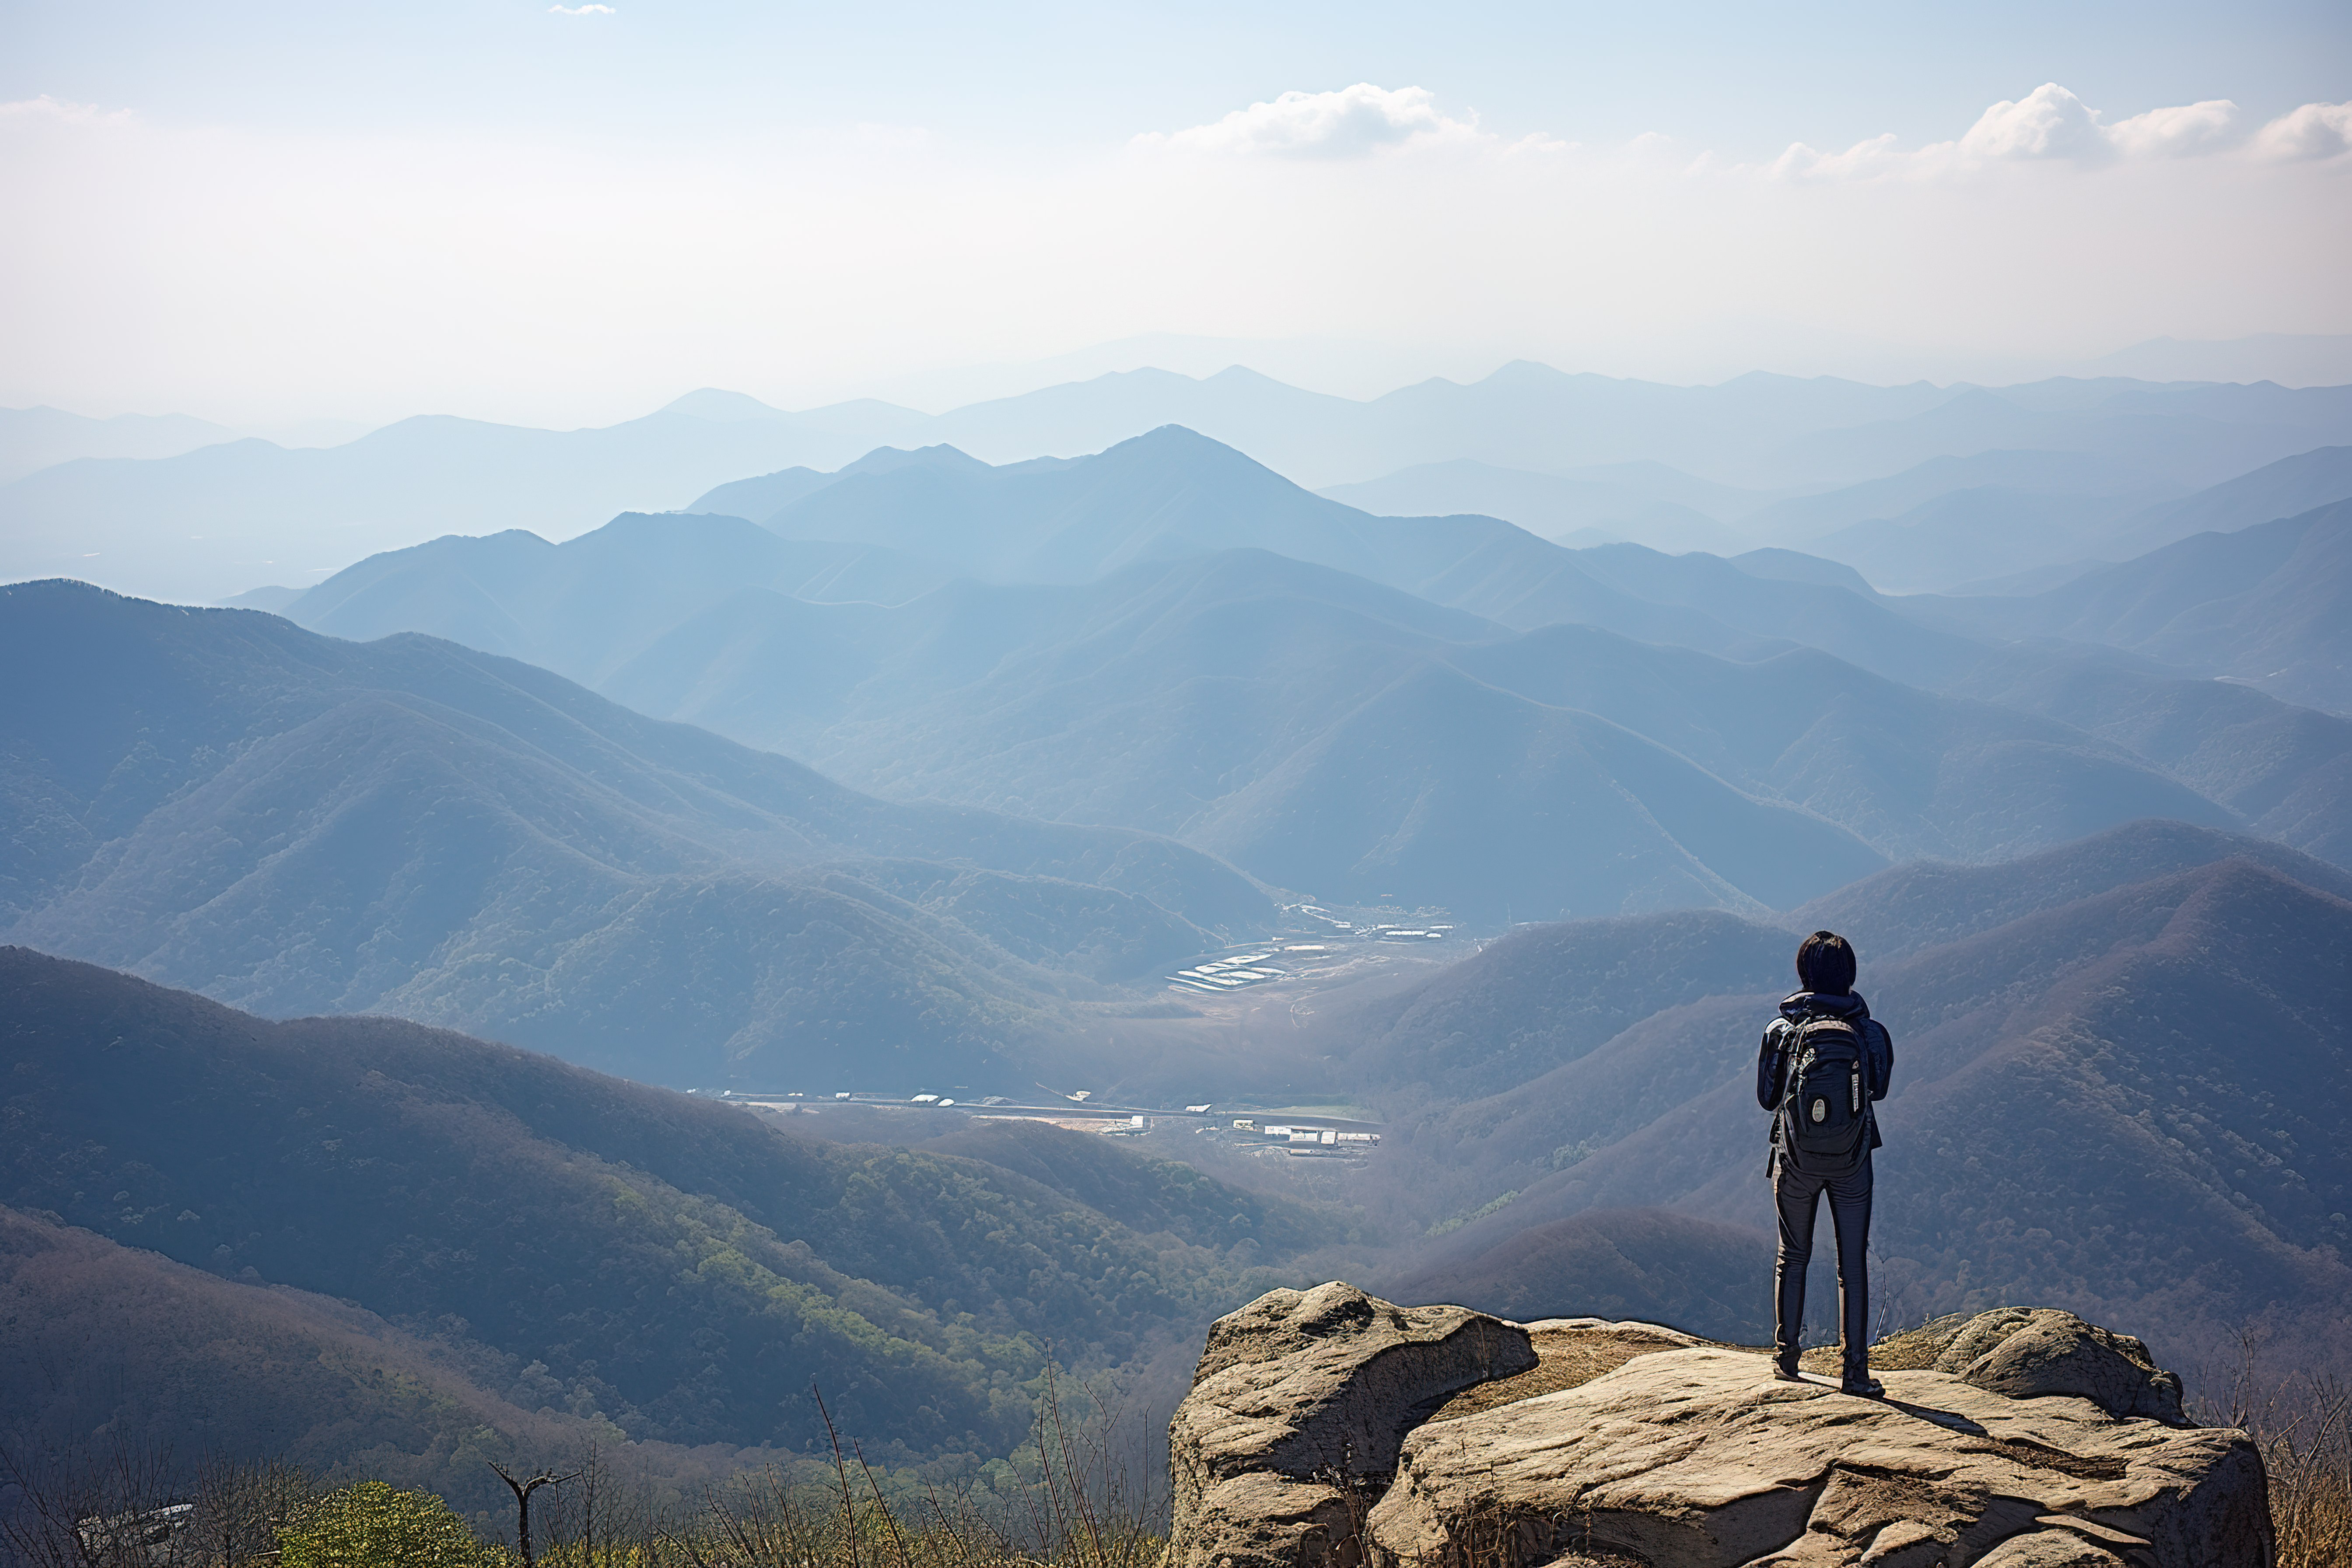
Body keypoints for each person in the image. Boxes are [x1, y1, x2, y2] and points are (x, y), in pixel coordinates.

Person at [1756, 929, 1894, 1396]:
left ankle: (1787, 1358)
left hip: (1795, 1159)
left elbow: (1767, 1097)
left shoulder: (1783, 1030)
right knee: (1851, 1261)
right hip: (1853, 1160)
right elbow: (1878, 1089)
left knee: (1792, 1255)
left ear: (1803, 974)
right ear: (1850, 975)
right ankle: (1855, 1371)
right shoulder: (1870, 1032)